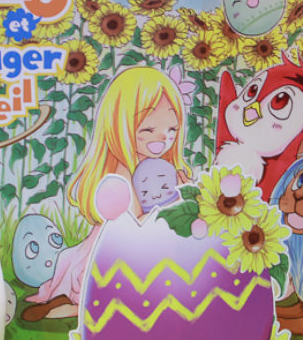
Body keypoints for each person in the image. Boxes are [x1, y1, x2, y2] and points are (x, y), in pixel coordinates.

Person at [21, 67, 191, 321]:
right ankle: (69, 307)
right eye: (147, 130)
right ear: (120, 125)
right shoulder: (121, 174)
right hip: (117, 249)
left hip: (144, 246)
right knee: (111, 295)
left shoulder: (162, 167)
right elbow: (132, 226)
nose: (163, 138)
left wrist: (185, 193)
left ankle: (71, 304)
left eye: (172, 130)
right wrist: (175, 206)